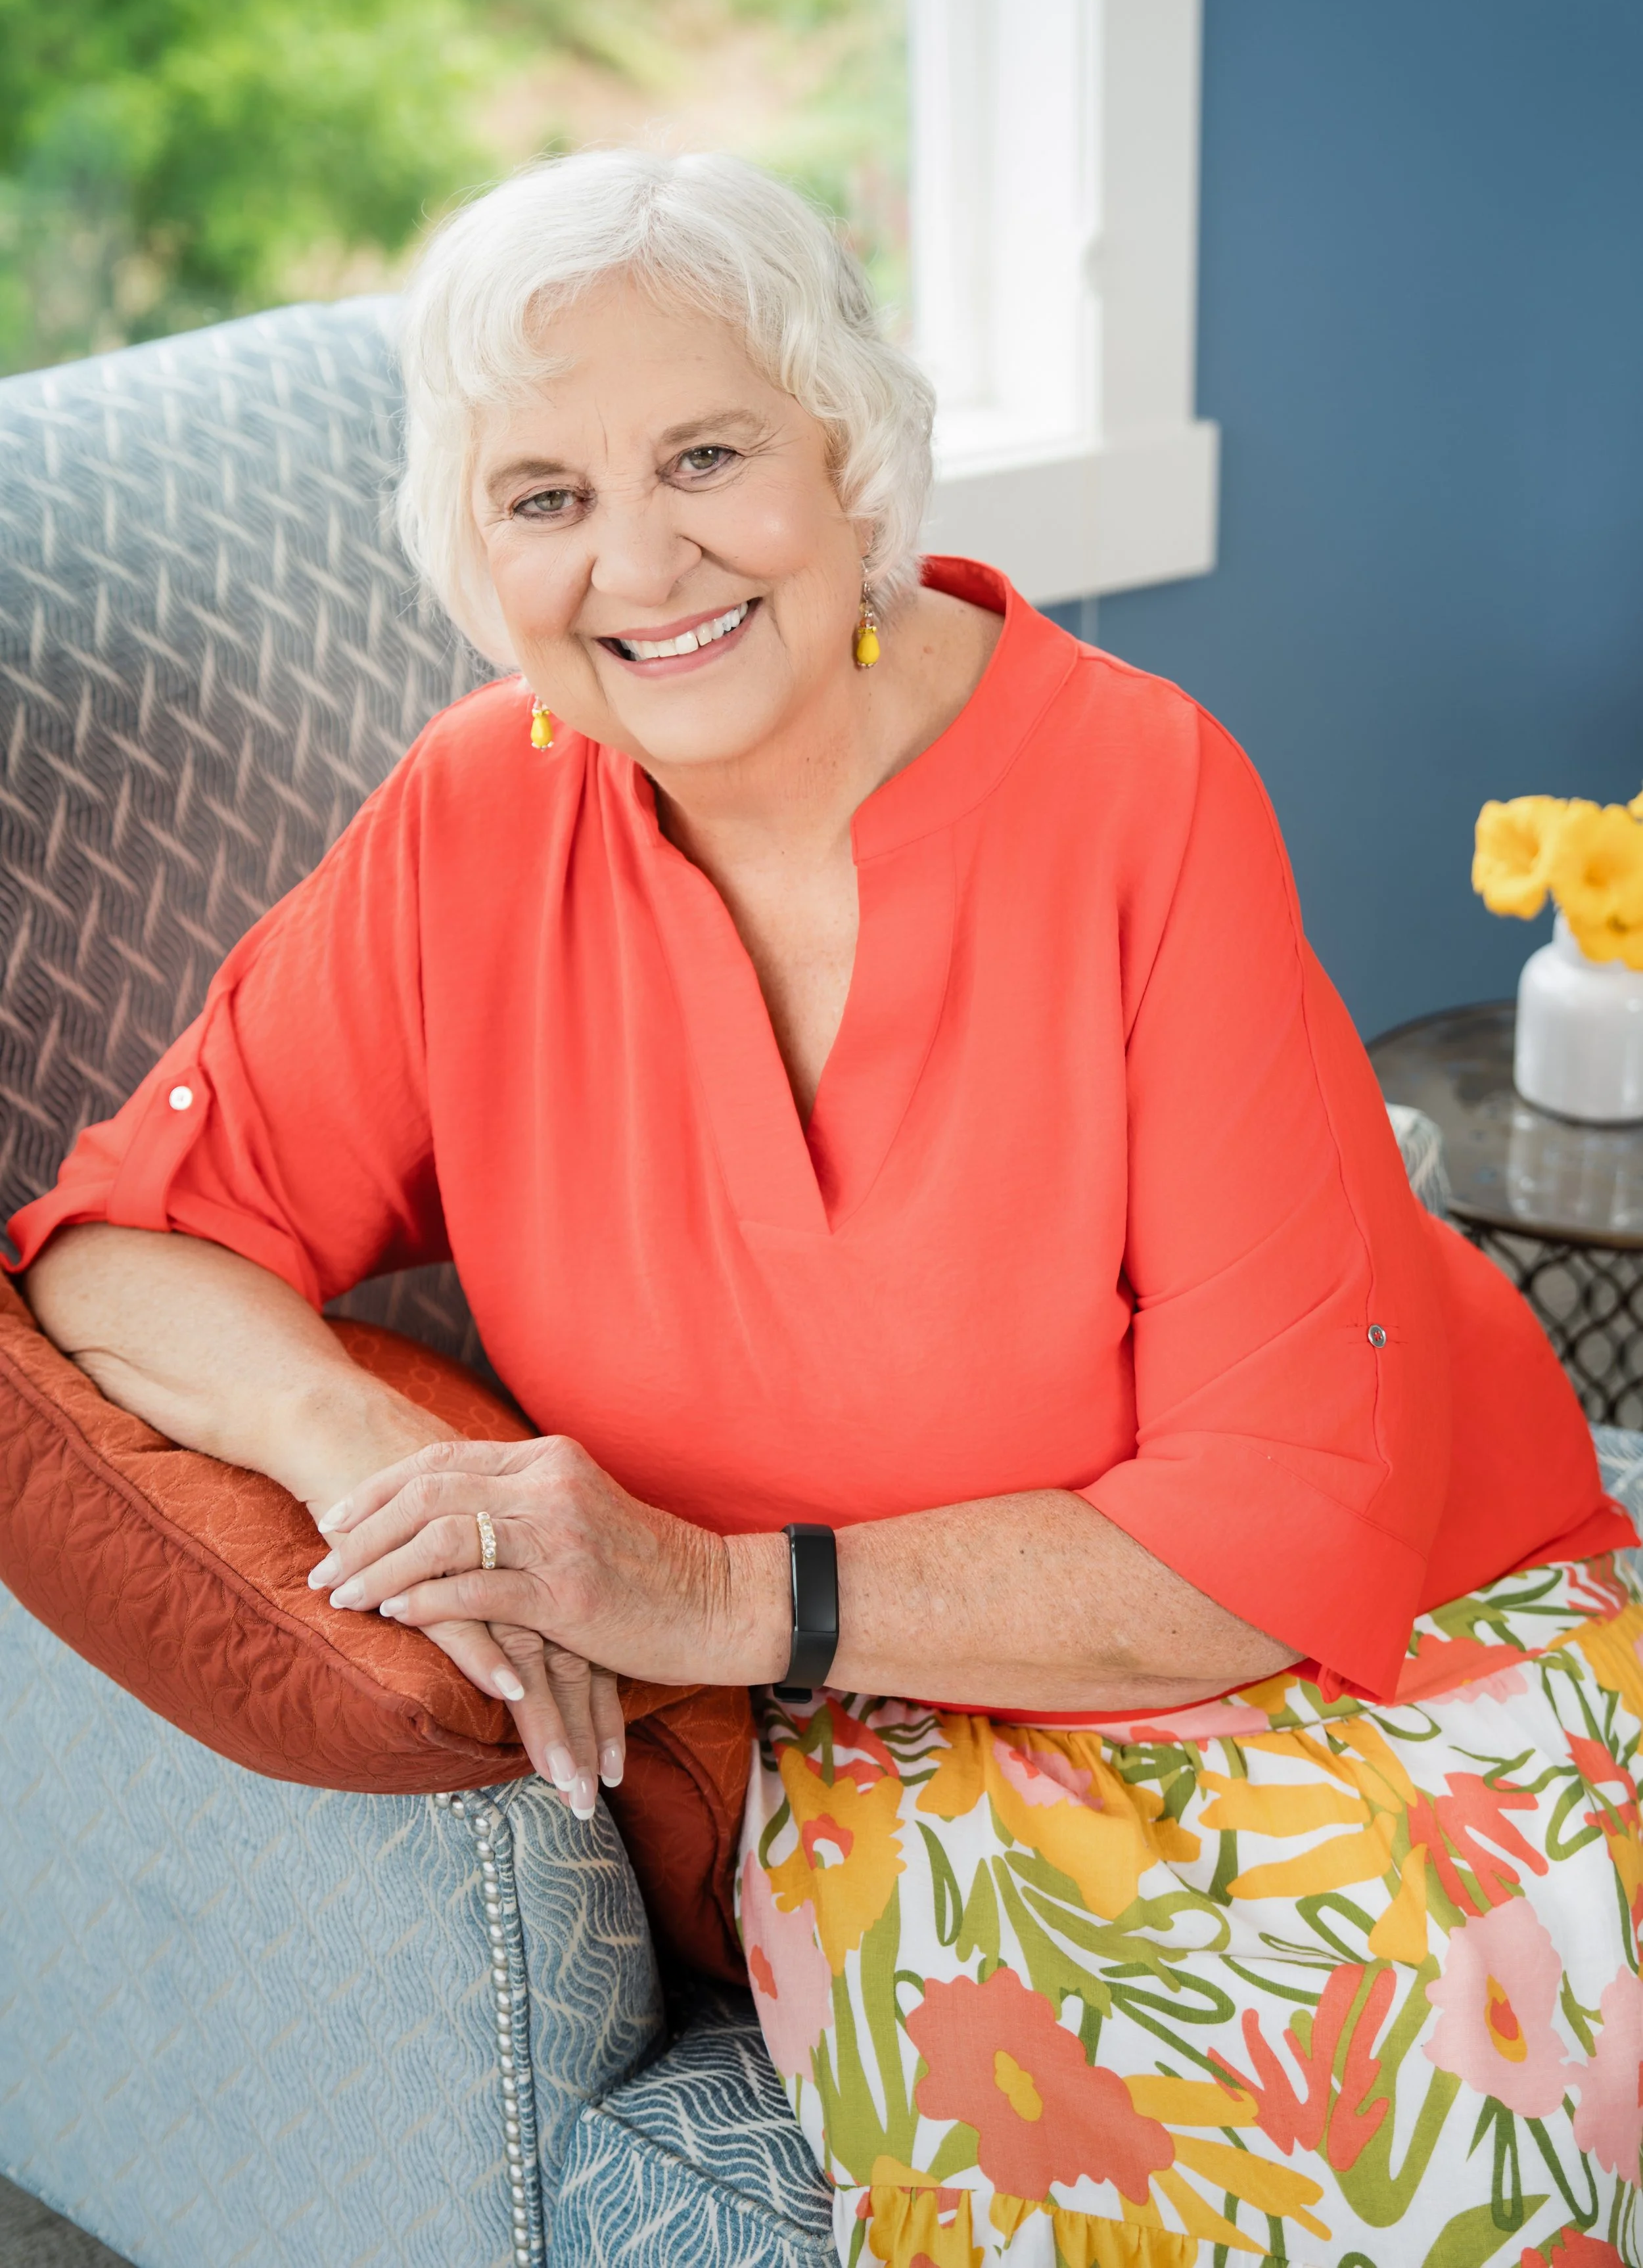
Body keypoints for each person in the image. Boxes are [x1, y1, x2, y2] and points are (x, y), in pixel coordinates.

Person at [14, 150, 1640, 2264]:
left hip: (1372, 1629)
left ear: (850, 461)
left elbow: (1276, 1531)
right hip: (908, 1740)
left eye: (706, 453)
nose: (637, 560)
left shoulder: (1143, 796)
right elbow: (125, 1247)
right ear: (471, 549)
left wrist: (703, 1591)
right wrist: (389, 1460)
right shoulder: (476, 819)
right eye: (544, 497)